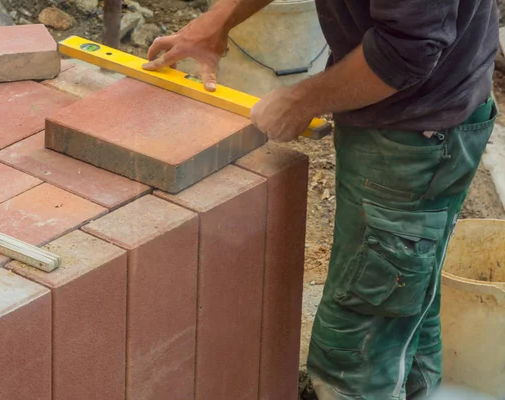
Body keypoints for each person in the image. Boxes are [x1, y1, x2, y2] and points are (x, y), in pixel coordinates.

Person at [143, 0, 499, 399]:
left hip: (421, 126)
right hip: (411, 113)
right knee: (403, 301)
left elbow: (408, 50)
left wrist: (301, 99)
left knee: (357, 348)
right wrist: (213, 24)